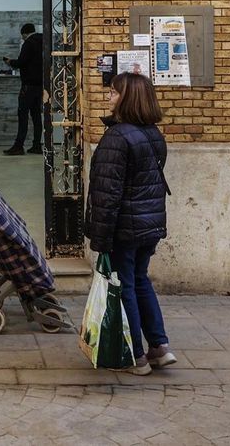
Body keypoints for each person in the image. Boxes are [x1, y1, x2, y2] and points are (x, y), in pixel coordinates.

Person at [85, 72, 175, 376]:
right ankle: (160, 347)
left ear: (128, 98)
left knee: (124, 286)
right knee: (140, 280)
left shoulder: (118, 137)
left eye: (113, 92)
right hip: (149, 224)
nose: (108, 97)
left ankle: (136, 355)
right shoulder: (152, 133)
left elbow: (107, 193)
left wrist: (100, 238)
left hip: (125, 226)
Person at [3, 23, 43, 156]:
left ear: (24, 33)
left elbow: (21, 62)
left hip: (28, 85)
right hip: (40, 85)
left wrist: (10, 62)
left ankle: (18, 146)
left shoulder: (28, 43)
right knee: (37, 116)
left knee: (23, 115)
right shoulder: (43, 41)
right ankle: (37, 145)